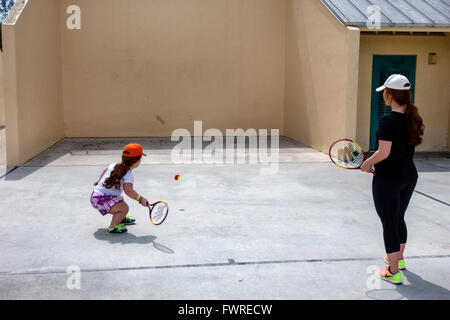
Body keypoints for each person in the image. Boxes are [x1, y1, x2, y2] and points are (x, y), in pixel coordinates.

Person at [361, 74, 424, 284]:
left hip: (388, 178)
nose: (383, 96)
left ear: (389, 94)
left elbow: (384, 152)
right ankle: (399, 259)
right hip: (409, 175)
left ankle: (393, 270)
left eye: (384, 93)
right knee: (398, 218)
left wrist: (368, 162)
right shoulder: (412, 117)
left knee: (389, 222)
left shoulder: (387, 119)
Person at [91, 143, 150, 234]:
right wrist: (140, 199)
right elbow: (128, 191)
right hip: (101, 200)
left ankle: (120, 218)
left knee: (120, 198)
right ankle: (113, 227)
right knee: (124, 208)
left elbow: (105, 170)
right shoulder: (128, 175)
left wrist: (99, 181)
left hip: (95, 196)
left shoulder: (114, 165)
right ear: (138, 161)